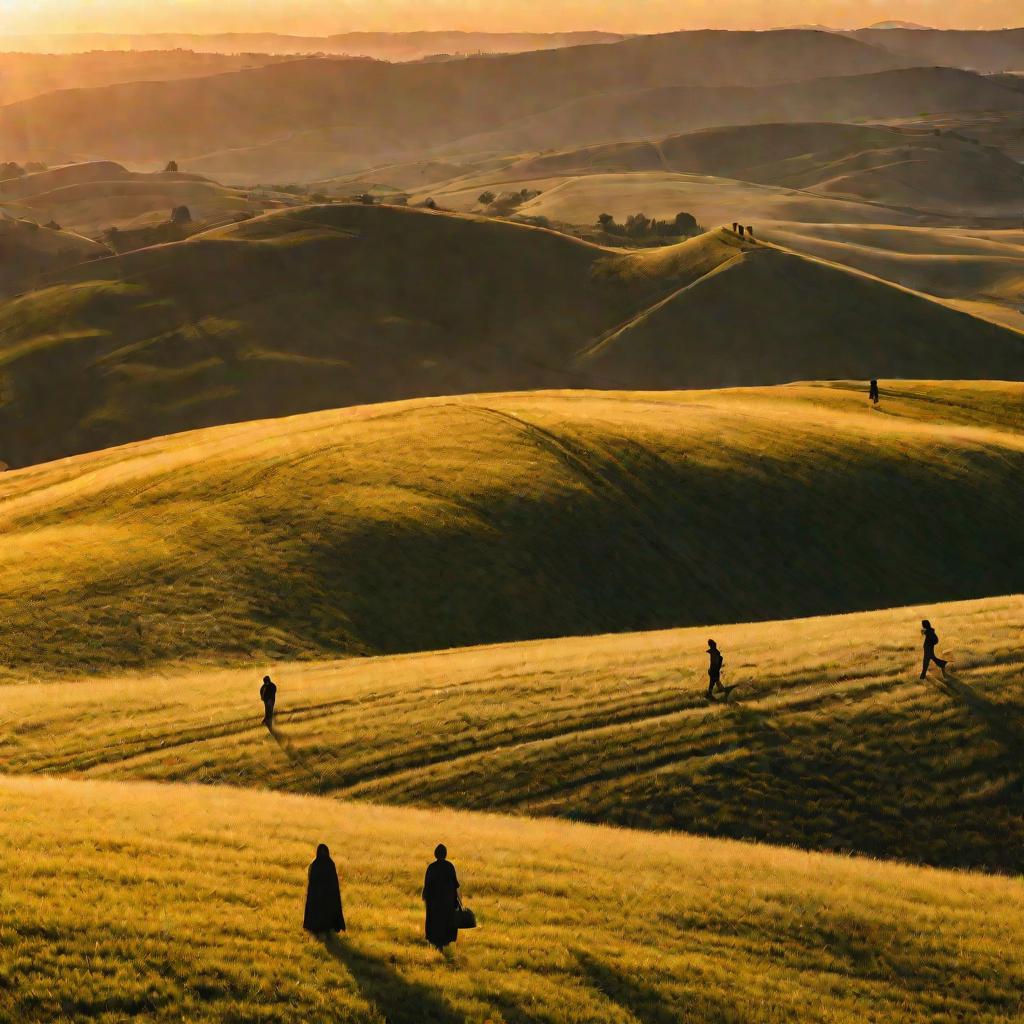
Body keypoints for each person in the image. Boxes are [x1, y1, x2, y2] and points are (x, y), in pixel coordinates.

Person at [423, 844, 460, 950]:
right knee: (446, 924)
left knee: (434, 923)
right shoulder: (449, 866)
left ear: (435, 854)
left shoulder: (431, 867)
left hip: (434, 903)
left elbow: (427, 887)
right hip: (447, 903)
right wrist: (456, 900)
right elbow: (455, 885)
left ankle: (437, 946)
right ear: (445, 854)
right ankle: (444, 946)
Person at [303, 843, 346, 936]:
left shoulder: (329, 864)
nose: (323, 854)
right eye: (322, 852)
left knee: (327, 912)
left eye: (324, 852)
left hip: (327, 894)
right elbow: (311, 879)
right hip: (317, 894)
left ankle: (327, 929)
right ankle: (317, 929)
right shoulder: (315, 864)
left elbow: (333, 880)